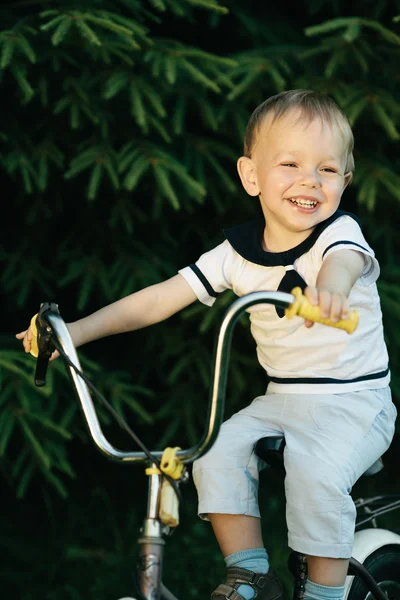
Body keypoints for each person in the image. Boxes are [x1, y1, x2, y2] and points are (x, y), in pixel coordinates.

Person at [17, 90, 397, 600]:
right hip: (283, 399)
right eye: (290, 164)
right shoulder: (235, 254)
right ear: (251, 176)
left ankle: (325, 594)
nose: (310, 180)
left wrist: (329, 289)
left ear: (344, 183)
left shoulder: (338, 234)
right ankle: (252, 575)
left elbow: (344, 263)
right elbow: (157, 300)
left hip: (355, 402)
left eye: (328, 170)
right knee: (213, 455)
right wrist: (74, 333)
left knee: (316, 476)